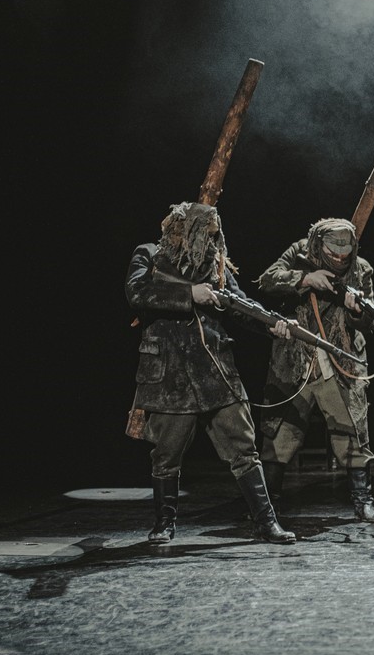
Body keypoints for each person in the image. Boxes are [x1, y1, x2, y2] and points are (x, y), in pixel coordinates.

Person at [125, 201, 296, 545]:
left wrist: (272, 324)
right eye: (206, 234)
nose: (213, 242)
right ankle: (164, 523)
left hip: (215, 373)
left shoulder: (215, 265)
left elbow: (240, 304)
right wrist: (189, 293)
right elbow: (137, 292)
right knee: (166, 454)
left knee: (244, 449)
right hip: (170, 374)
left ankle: (266, 522)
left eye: (215, 236)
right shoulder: (150, 255)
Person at [255, 218, 374, 521]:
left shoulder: (360, 269)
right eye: (332, 253)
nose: (339, 258)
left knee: (352, 430)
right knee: (279, 433)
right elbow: (268, 280)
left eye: (344, 254)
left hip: (339, 361)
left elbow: (369, 322)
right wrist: (305, 279)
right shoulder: (298, 253)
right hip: (295, 357)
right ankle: (268, 506)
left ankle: (363, 501)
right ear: (319, 245)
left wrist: (356, 309)